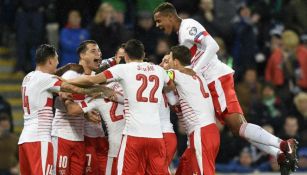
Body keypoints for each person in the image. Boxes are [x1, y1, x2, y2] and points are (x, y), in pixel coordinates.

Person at [153, 2, 298, 173]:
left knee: (238, 126)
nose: (158, 25)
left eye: (159, 20)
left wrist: (193, 71)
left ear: (170, 16)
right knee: (239, 128)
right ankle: (280, 152)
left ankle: (283, 145)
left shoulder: (188, 25)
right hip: (212, 83)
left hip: (217, 79)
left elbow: (213, 46)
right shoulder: (181, 36)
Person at [67, 39, 172, 174]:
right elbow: (171, 86)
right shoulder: (158, 70)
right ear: (143, 54)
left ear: (126, 56)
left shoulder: (121, 71)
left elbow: (90, 80)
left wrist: (63, 83)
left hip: (133, 136)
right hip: (157, 136)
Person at [18, 44, 108, 175]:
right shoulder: (46, 79)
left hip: (25, 139)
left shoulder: (28, 78)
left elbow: (56, 78)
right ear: (49, 61)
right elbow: (74, 88)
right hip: (39, 139)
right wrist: (99, 90)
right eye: (56, 59)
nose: (58, 62)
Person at [51, 40, 108, 175]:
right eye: (93, 51)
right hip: (62, 135)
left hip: (80, 138)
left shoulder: (95, 78)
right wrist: (86, 112)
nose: (98, 54)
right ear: (82, 55)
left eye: (99, 51)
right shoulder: (71, 75)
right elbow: (62, 103)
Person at [161, 46, 220, 175]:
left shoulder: (176, 74)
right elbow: (174, 100)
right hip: (209, 131)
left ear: (175, 62)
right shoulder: (198, 74)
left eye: (169, 59)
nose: (167, 63)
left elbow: (160, 75)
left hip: (201, 131)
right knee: (184, 169)